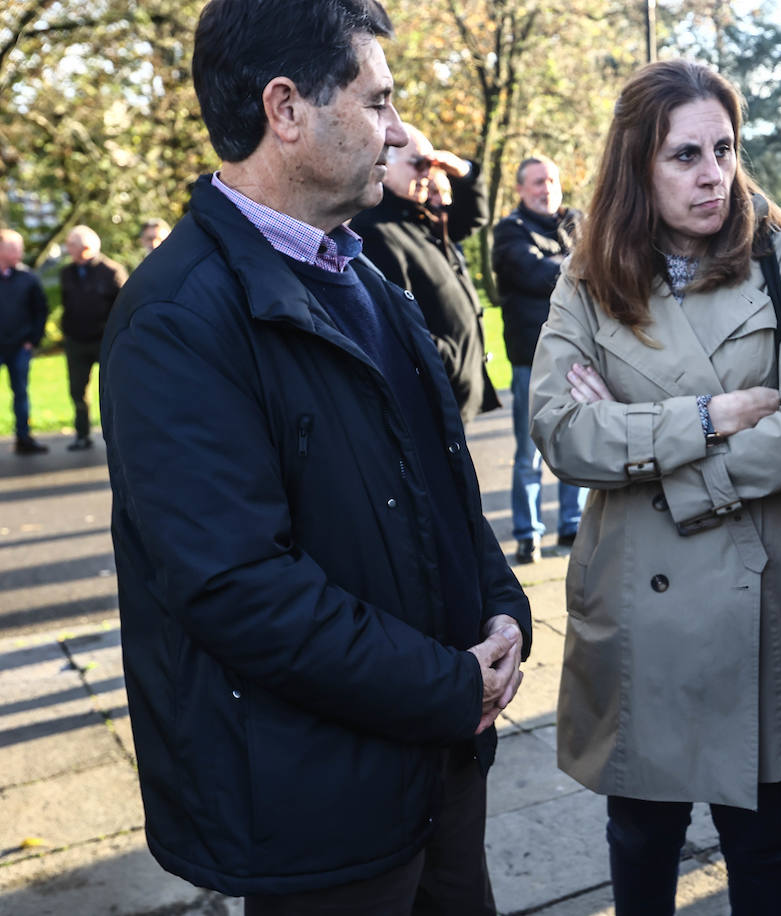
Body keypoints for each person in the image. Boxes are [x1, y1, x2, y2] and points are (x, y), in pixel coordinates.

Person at [99, 1, 531, 912]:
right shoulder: (175, 320)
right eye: (379, 101)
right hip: (319, 812)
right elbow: (237, 588)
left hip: (437, 769)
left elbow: (443, 490)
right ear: (286, 110)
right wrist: (448, 684)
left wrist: (501, 609)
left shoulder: (358, 273)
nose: (399, 130)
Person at [528, 59, 781, 914]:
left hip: (758, 592)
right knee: (639, 836)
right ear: (637, 164)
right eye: (684, 156)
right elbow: (558, 432)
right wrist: (708, 416)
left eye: (725, 150)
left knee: (765, 840)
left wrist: (659, 468)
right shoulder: (589, 277)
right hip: (638, 600)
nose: (714, 175)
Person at [351, 122, 499, 423]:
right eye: (418, 163)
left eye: (431, 164)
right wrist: (452, 367)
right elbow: (396, 327)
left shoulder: (418, 220)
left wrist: (463, 171)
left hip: (452, 398)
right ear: (383, 165)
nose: (427, 173)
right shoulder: (377, 231)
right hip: (434, 403)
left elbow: (473, 217)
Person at [492, 155, 585, 564]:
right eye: (536, 182)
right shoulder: (508, 231)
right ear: (520, 189)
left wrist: (555, 265)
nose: (545, 188)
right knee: (528, 452)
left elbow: (601, 264)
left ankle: (573, 525)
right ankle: (528, 533)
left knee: (577, 442)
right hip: (530, 359)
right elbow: (529, 273)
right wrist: (574, 265)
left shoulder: (578, 222)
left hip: (580, 357)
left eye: (550, 180)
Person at [59, 224, 126, 450]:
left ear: (86, 247)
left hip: (104, 341)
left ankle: (120, 436)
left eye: (72, 246)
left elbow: (123, 308)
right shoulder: (67, 272)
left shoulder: (111, 271)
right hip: (76, 341)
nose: (69, 251)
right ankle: (82, 434)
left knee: (114, 390)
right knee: (77, 391)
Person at [0, 228, 50, 455]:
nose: (20, 252)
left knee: (21, 392)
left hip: (20, 346)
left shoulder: (28, 279)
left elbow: (41, 311)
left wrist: (32, 339)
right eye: (14, 247)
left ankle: (24, 438)